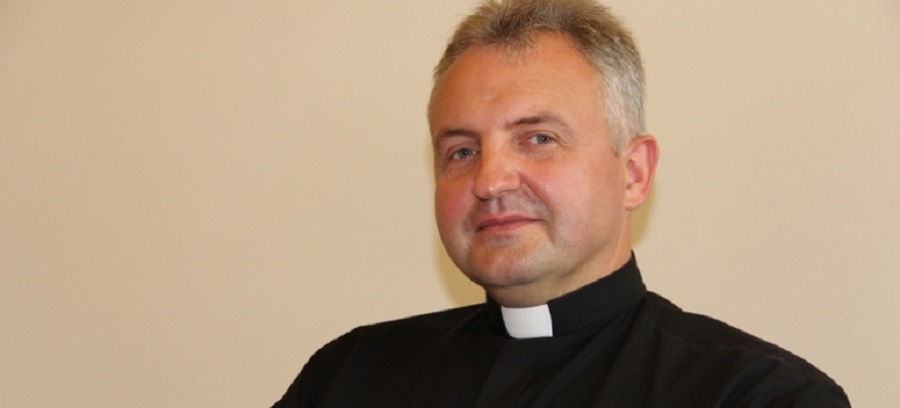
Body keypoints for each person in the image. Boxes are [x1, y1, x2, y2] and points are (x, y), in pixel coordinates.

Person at [273, 0, 850, 406]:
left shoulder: (759, 396)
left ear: (633, 173)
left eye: (539, 138)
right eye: (462, 150)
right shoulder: (348, 376)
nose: (490, 180)